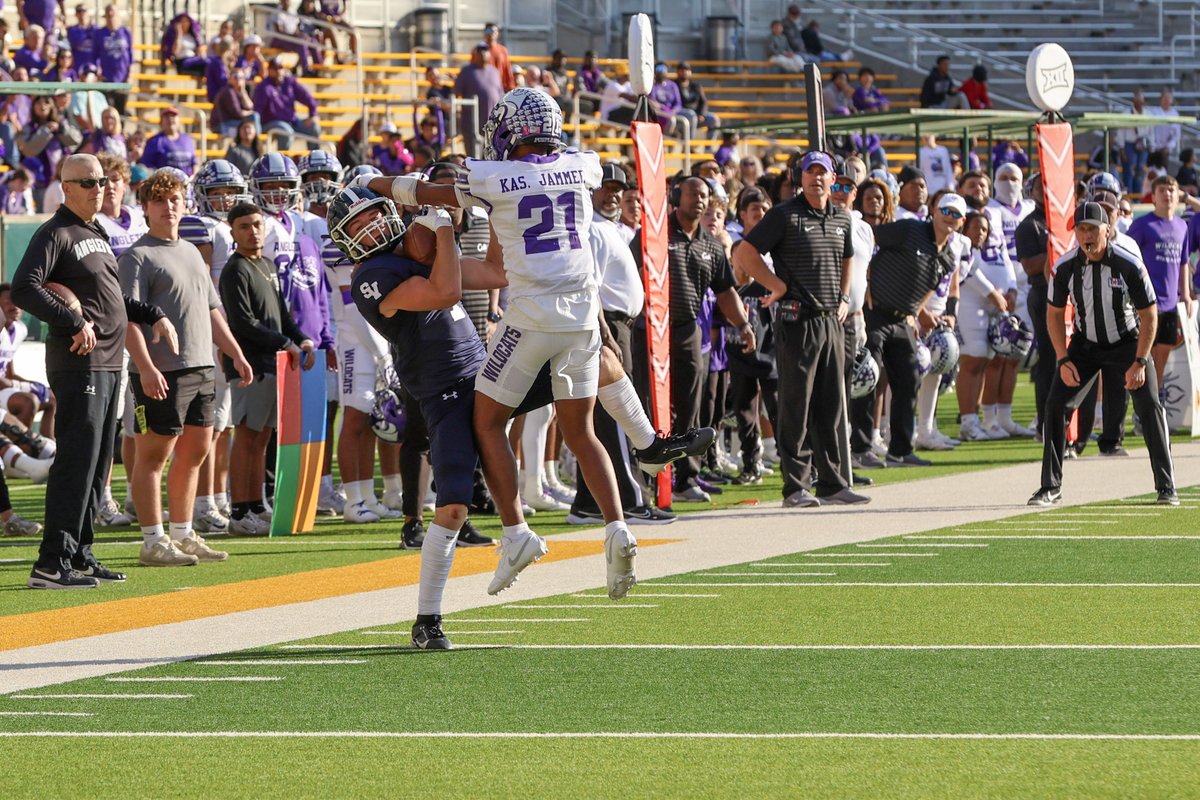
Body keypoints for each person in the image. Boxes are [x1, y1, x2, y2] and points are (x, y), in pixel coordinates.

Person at [350, 88, 717, 600]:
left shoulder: (494, 177)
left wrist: (373, 180)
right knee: (582, 428)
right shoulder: (585, 166)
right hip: (584, 316)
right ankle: (622, 518)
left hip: (531, 318)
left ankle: (517, 532)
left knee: (487, 422)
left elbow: (428, 194)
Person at [13, 153, 176, 589]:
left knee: (100, 462)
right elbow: (24, 287)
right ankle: (51, 563)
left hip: (107, 359)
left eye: (102, 181)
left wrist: (152, 313)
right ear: (65, 187)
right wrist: (73, 321)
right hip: (77, 361)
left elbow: (113, 298)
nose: (97, 188)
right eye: (87, 182)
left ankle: (80, 555)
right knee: (76, 462)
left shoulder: (96, 231)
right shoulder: (56, 232)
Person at [119, 168, 252, 567]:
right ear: (145, 208)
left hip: (201, 366)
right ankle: (152, 540)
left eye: (174, 199)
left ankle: (181, 532)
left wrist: (234, 352)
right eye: (159, 200)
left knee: (195, 452)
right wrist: (144, 367)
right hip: (161, 371)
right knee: (153, 457)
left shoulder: (192, 251)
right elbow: (127, 318)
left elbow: (211, 310)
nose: (168, 207)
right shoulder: (137, 256)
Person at [734, 151, 867, 505]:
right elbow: (744, 254)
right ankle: (796, 486)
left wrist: (843, 296)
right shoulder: (783, 215)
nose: (816, 178)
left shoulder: (841, 217)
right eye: (810, 172)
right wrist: (775, 285)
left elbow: (848, 255)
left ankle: (833, 482)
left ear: (833, 177)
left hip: (831, 322)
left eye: (822, 172)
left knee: (831, 404)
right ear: (800, 177)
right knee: (796, 406)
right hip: (797, 321)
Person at [1029, 201, 1177, 507]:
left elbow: (1149, 315)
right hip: (1086, 346)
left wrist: (1139, 360)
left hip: (1128, 342)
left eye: (1092, 228)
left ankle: (1166, 486)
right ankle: (1050, 486)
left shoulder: (1128, 264)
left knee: (1150, 406)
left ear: (1107, 230)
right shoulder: (1065, 267)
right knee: (1055, 406)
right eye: (1080, 229)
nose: (1086, 235)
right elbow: (1054, 315)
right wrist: (1062, 358)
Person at [567, 164, 671, 525]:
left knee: (602, 418)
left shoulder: (607, 228)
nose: (612, 194)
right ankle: (631, 500)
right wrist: (606, 336)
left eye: (618, 189)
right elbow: (590, 288)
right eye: (606, 188)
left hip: (619, 324)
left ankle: (587, 502)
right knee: (615, 418)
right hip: (609, 324)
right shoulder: (594, 229)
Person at [219, 201, 316, 535]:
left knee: (261, 439)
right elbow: (243, 323)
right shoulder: (235, 270)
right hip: (250, 365)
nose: (252, 231)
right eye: (244, 226)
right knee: (246, 437)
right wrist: (283, 343)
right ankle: (239, 510)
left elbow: (283, 316)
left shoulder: (268, 264)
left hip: (273, 364)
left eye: (257, 224)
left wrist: (301, 339)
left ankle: (257, 504)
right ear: (232, 231)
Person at [865, 192, 967, 467]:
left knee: (908, 380)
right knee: (867, 379)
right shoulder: (909, 228)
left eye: (956, 214)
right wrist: (864, 287)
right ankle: (860, 449)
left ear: (962, 222)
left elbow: (932, 285)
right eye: (946, 210)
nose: (950, 217)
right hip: (874, 313)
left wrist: (915, 311)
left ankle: (899, 450)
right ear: (934, 210)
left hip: (901, 320)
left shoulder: (948, 255)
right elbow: (867, 239)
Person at [180, 158, 251, 531]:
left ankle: (218, 495)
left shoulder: (229, 227)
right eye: (217, 192)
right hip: (208, 329)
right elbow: (203, 286)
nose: (224, 200)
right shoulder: (199, 226)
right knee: (208, 422)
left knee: (224, 423)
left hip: (226, 326)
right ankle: (202, 501)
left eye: (229, 193)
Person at [1126, 175, 1192, 392]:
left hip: (1170, 304)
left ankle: (1155, 404)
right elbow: (1126, 257)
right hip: (1145, 304)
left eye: (1171, 189)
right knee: (1141, 360)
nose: (1167, 194)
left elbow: (1183, 262)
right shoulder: (1142, 225)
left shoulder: (1183, 226)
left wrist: (1186, 294)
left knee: (1161, 360)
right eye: (1162, 190)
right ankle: (1139, 408)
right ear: (1153, 196)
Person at [1014, 172, 1055, 437]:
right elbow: (1030, 266)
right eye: (1041, 185)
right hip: (1043, 294)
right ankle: (1044, 422)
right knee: (1049, 360)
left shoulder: (1065, 220)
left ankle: (1069, 423)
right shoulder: (1029, 226)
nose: (1046, 189)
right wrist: (1057, 248)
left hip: (1070, 294)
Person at [453, 43, 503, 157]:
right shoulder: (466, 71)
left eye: (485, 50)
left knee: (491, 156)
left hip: (492, 123)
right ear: (475, 54)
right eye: (480, 51)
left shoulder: (494, 72)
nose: (483, 53)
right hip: (472, 122)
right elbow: (456, 93)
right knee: (474, 156)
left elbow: (500, 94)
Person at [139, 106, 198, 176]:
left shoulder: (187, 139)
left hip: (187, 183)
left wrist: (194, 176)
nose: (171, 119)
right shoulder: (154, 141)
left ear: (179, 121)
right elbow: (146, 166)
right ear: (161, 122)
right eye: (167, 117)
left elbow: (194, 163)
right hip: (165, 184)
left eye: (173, 116)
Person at [96, 4, 133, 115]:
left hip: (122, 78)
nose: (111, 16)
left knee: (121, 110)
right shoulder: (100, 33)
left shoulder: (125, 32)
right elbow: (96, 54)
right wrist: (98, 69)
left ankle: (120, 131)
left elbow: (131, 55)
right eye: (108, 14)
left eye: (113, 13)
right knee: (107, 110)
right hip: (107, 78)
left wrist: (130, 75)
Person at [1116, 89, 1153, 195]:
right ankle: (1129, 195)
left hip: (1143, 145)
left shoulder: (1148, 114)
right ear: (1133, 101)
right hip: (1129, 144)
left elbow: (1151, 132)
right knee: (1129, 171)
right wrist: (1122, 148)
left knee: (1140, 171)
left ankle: (1137, 196)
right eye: (1137, 100)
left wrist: (1151, 145)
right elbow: (1121, 132)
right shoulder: (1126, 114)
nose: (1139, 103)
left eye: (1141, 100)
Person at [211, 68, 260, 140]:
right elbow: (238, 113)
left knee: (253, 117)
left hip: (233, 123)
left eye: (242, 77)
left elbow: (250, 107)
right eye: (235, 77)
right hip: (222, 125)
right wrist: (251, 113)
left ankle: (255, 142)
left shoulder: (240, 91)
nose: (238, 79)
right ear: (230, 79)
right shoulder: (228, 91)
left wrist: (243, 91)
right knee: (253, 117)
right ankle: (257, 142)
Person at [675, 62, 719, 131]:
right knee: (692, 116)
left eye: (687, 70)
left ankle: (711, 141)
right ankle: (689, 141)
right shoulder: (673, 85)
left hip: (696, 113)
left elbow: (703, 102)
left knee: (713, 119)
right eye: (682, 70)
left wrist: (701, 114)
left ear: (690, 72)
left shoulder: (696, 86)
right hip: (681, 114)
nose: (684, 72)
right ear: (677, 71)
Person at [1147, 87, 1181, 168]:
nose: (1166, 100)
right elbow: (1149, 130)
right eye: (1164, 97)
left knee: (1162, 172)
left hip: (1165, 151)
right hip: (1153, 148)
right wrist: (1153, 145)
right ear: (1160, 99)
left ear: (1172, 100)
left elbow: (1176, 134)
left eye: (1168, 98)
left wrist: (1168, 147)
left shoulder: (1175, 114)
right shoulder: (1154, 112)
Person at [481, 22, 514, 92]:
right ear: (484, 33)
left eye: (493, 31)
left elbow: (507, 69)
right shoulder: (478, 51)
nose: (491, 33)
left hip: (499, 87)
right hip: (483, 87)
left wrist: (510, 87)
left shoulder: (503, 50)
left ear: (498, 33)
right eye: (488, 31)